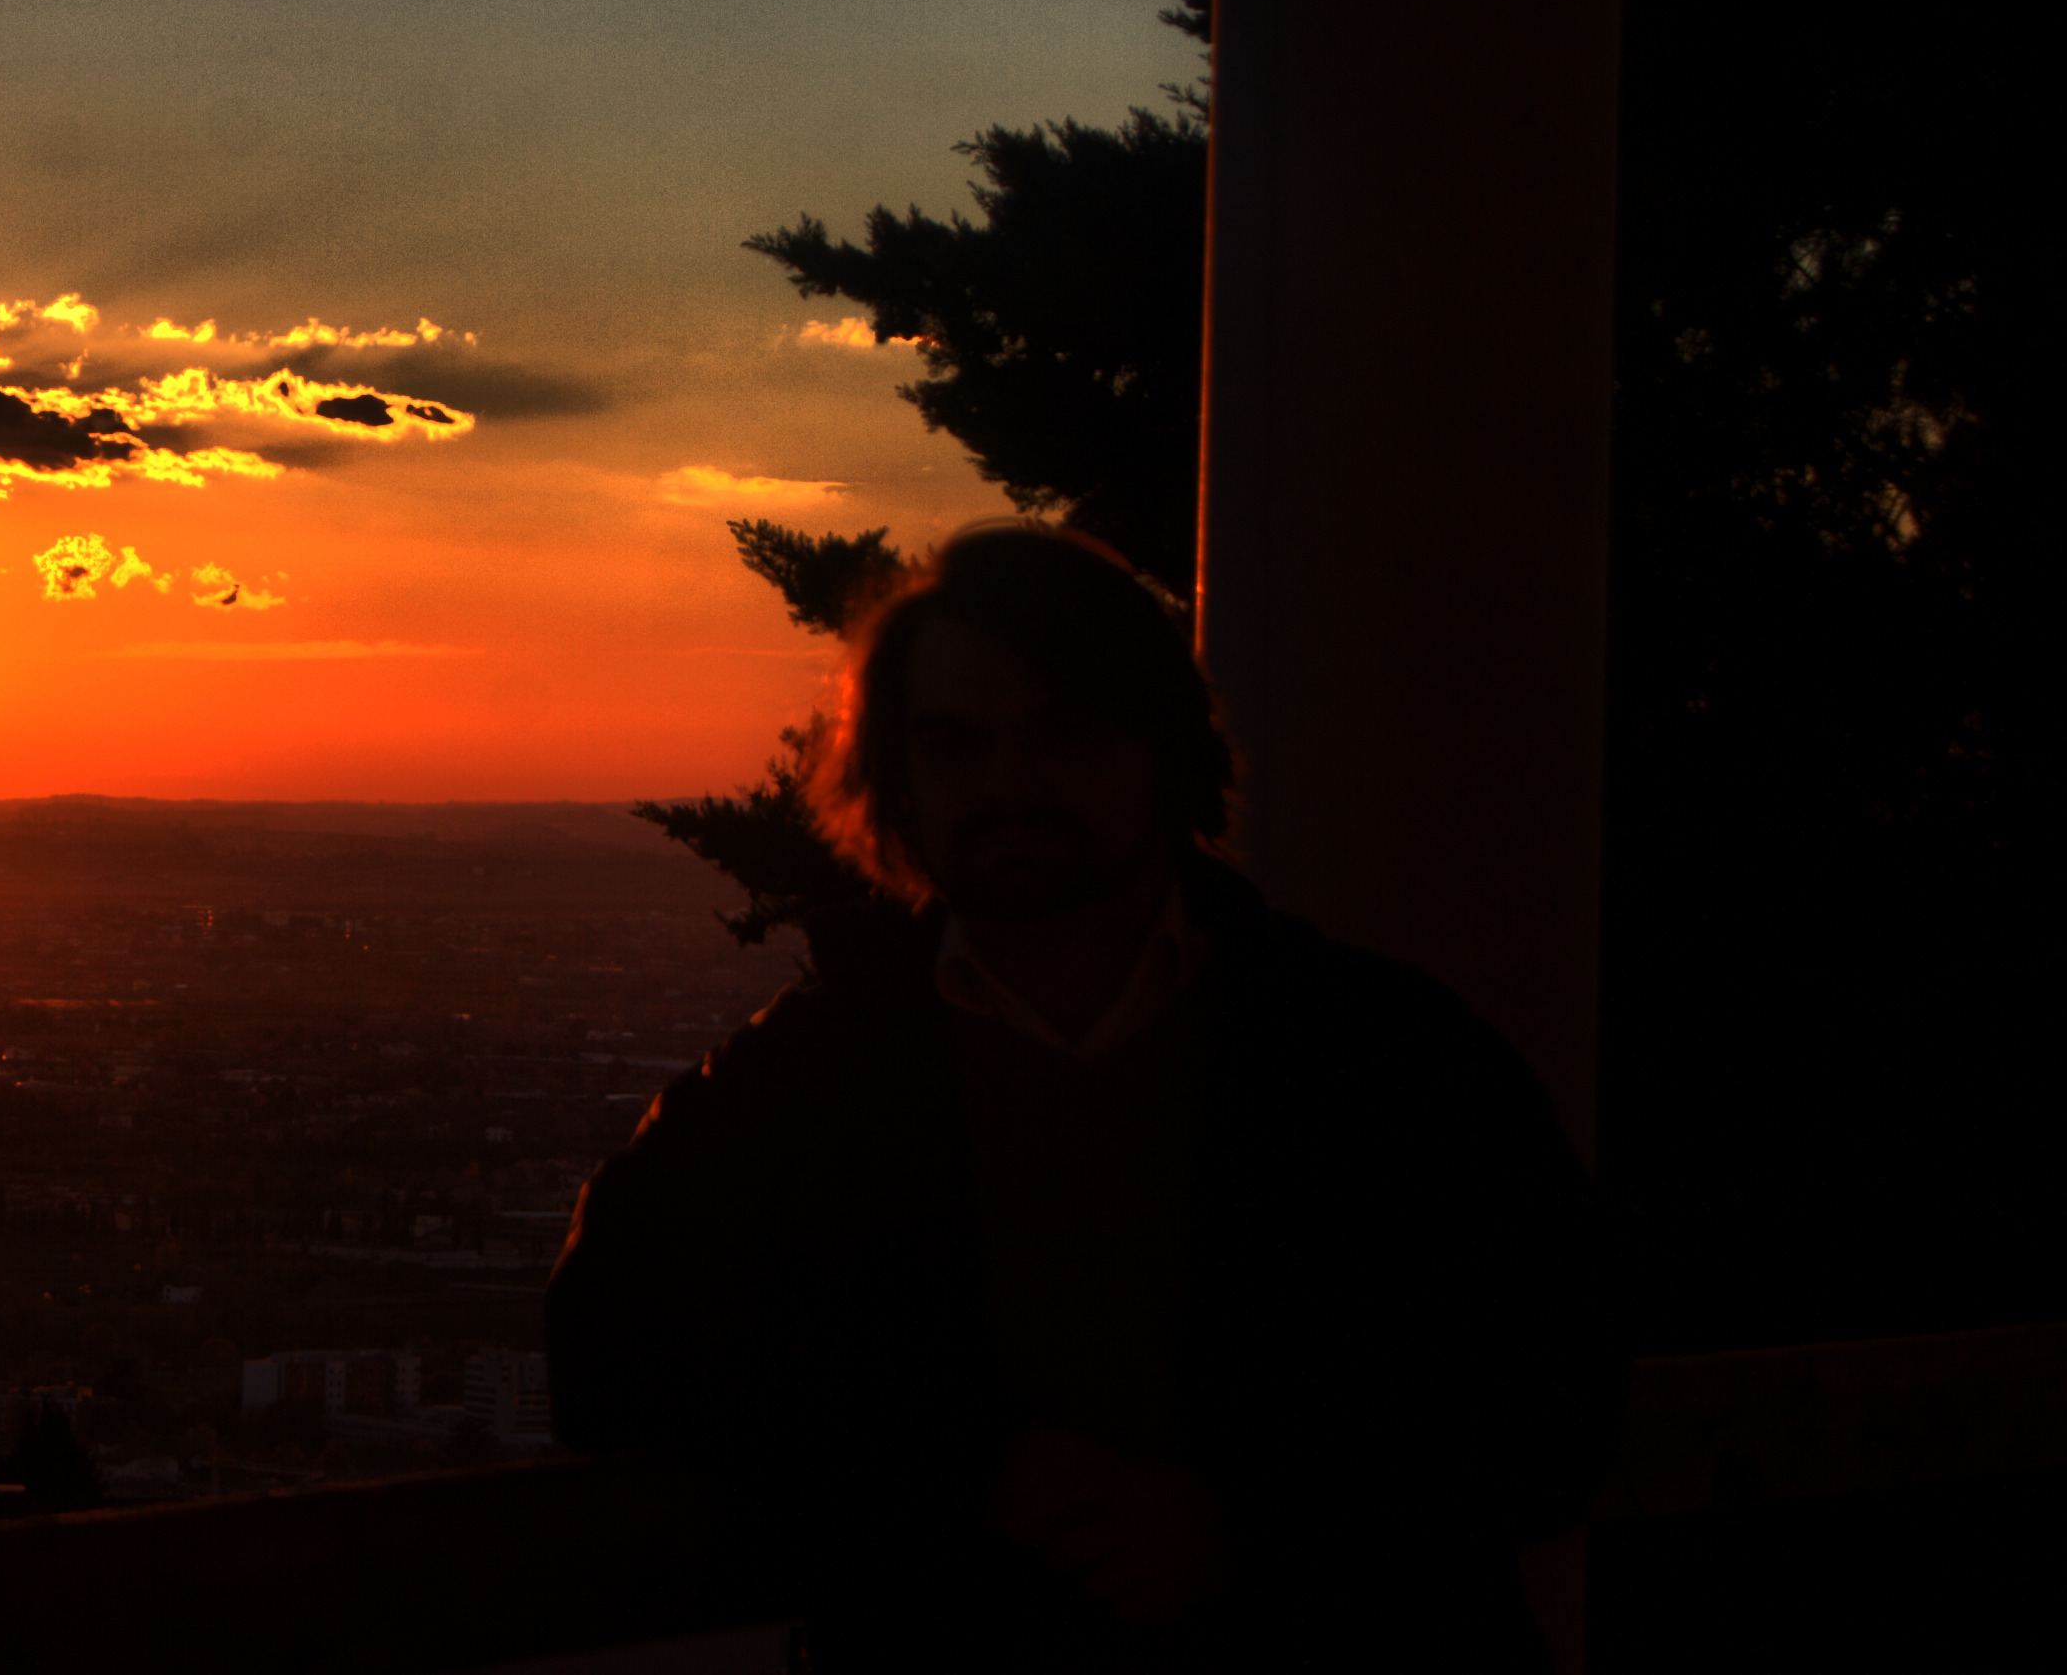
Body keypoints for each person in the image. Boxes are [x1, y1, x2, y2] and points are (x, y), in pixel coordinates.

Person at [547, 525, 1617, 1671]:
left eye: (1065, 730)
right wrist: (960, 1463)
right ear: (894, 782)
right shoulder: (804, 1089)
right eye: (956, 745)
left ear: (1164, 752)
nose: (1011, 785)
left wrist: (1251, 1527)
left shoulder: (1384, 1065)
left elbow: (1553, 1403)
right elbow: (608, 1351)